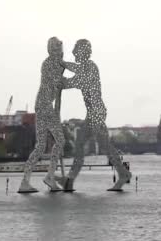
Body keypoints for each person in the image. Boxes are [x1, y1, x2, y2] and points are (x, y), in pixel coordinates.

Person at [55, 39, 131, 191]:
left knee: (100, 145)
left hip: (97, 112)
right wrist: (62, 67)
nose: (74, 52)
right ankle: (70, 180)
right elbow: (75, 72)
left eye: (76, 50)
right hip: (93, 113)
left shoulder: (91, 67)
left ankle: (122, 174)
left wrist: (62, 76)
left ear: (82, 52)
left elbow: (78, 80)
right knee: (83, 145)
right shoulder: (84, 67)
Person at [18, 37, 66, 193]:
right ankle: (49, 177)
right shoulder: (49, 64)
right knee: (59, 140)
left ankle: (25, 181)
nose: (61, 52)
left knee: (40, 146)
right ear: (53, 49)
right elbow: (56, 83)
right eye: (59, 49)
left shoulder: (56, 64)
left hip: (43, 106)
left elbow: (58, 87)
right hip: (44, 106)